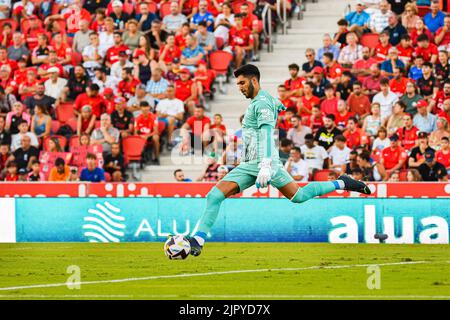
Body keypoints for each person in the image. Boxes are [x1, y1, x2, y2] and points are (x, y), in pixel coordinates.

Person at [181, 64, 370, 257]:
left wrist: (265, 166)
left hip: (264, 161)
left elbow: (266, 134)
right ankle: (198, 240)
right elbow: (275, 105)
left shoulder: (261, 103)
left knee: (296, 196)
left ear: (254, 80)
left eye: (243, 83)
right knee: (218, 196)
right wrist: (277, 104)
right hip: (251, 163)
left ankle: (342, 182)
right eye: (238, 84)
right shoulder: (263, 100)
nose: (240, 87)